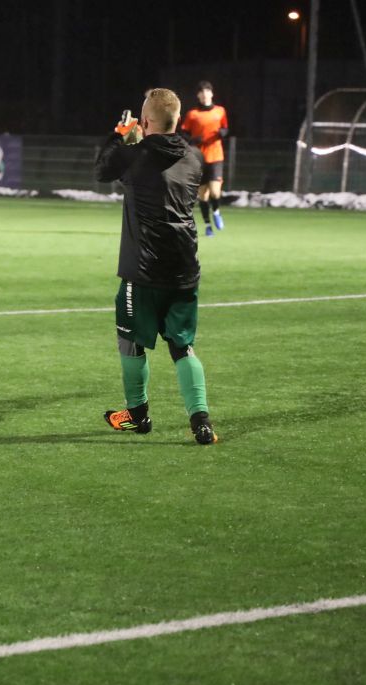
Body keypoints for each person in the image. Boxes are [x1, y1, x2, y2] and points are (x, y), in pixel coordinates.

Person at [94, 89, 218, 445]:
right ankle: (201, 423)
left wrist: (120, 137)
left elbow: (103, 170)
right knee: (182, 346)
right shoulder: (194, 157)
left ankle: (137, 415)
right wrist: (139, 143)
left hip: (143, 270)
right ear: (177, 120)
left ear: (145, 121)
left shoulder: (135, 155)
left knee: (129, 340)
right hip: (184, 269)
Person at [179, 81, 229, 237]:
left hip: (216, 156)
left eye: (207, 91)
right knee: (203, 195)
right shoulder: (192, 114)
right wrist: (193, 140)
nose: (204, 94)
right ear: (198, 95)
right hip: (198, 159)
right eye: (201, 92)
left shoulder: (220, 111)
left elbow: (225, 128)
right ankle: (208, 225)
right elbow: (183, 133)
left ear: (211, 94)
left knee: (215, 191)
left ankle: (216, 212)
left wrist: (223, 133)